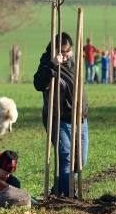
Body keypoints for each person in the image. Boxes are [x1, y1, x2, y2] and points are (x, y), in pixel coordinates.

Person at [33, 32, 89, 197]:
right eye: (63, 51)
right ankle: (70, 195)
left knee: (81, 160)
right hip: (59, 118)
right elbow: (38, 84)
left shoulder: (73, 61)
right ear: (55, 50)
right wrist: (52, 66)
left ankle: (58, 189)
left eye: (68, 51)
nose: (66, 54)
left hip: (80, 117)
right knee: (66, 158)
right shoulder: (47, 62)